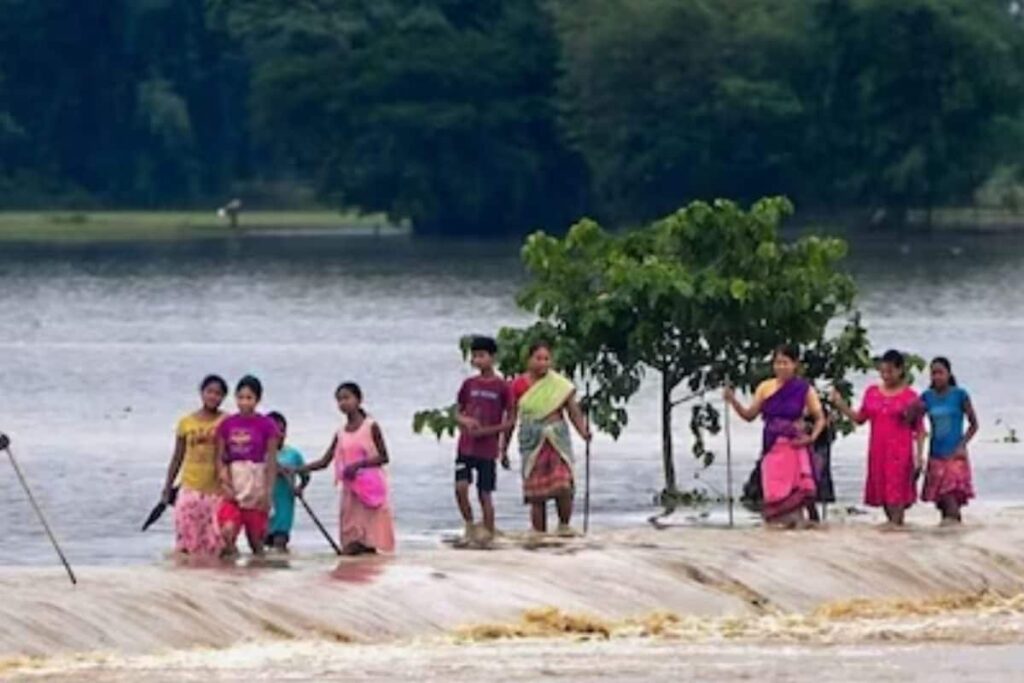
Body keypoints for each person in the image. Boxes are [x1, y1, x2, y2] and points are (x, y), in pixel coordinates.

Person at [725, 345, 825, 528]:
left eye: (785, 363)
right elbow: (749, 416)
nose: (781, 367)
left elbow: (820, 418)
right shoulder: (765, 387)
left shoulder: (804, 389)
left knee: (797, 492)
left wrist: (811, 438)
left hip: (795, 446)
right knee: (774, 493)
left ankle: (802, 532)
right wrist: (733, 401)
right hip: (772, 447)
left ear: (795, 364)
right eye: (777, 363)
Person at [831, 349, 926, 529]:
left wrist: (919, 458)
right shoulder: (872, 392)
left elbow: (920, 430)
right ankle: (894, 535)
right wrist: (840, 404)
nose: (885, 375)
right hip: (878, 452)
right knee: (884, 495)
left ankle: (897, 532)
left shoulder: (910, 397)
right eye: (882, 371)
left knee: (896, 496)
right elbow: (860, 418)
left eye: (890, 371)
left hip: (900, 453)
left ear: (900, 370)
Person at [299, 382, 395, 555]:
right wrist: (299, 469)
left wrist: (358, 465)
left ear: (358, 400)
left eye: (347, 398)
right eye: (339, 400)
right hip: (351, 493)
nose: (343, 403)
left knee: (369, 541)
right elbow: (325, 461)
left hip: (371, 491)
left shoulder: (370, 426)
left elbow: (384, 457)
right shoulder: (340, 432)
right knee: (351, 539)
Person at [507, 341, 591, 537]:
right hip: (532, 438)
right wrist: (503, 447)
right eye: (539, 358)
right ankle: (539, 534)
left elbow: (574, 412)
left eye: (547, 359)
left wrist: (583, 431)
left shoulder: (560, 385)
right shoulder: (517, 385)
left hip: (557, 438)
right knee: (537, 494)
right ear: (528, 360)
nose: (543, 363)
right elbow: (511, 417)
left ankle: (564, 527)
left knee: (563, 484)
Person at [453, 336, 514, 547]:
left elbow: (511, 420)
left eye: (481, 356)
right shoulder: (468, 384)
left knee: (484, 493)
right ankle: (470, 525)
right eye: (474, 356)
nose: (477, 360)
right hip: (465, 446)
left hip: (487, 450)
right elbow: (457, 412)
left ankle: (488, 532)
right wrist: (465, 420)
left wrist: (499, 442)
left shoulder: (503, 387)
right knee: (461, 487)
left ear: (492, 358)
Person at [161, 375, 228, 557]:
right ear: (201, 393)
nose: (213, 397)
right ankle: (187, 583)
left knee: (215, 542)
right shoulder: (186, 422)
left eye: (218, 394)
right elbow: (177, 457)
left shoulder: (226, 421)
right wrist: (167, 486)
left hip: (216, 491)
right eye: (210, 392)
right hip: (190, 489)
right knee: (187, 542)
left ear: (223, 397)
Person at [215, 375, 280, 557]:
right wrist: (224, 482)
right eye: (240, 397)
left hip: (256, 484)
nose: (244, 402)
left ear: (257, 400)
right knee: (227, 531)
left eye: (249, 398)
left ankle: (257, 578)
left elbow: (271, 461)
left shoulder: (267, 425)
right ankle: (228, 575)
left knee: (256, 541)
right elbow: (220, 457)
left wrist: (268, 492)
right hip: (234, 482)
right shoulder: (227, 424)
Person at [920, 357, 979, 525]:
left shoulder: (960, 395)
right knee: (941, 504)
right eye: (933, 373)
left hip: (955, 456)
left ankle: (955, 537)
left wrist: (962, 445)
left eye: (940, 373)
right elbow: (914, 421)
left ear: (949, 374)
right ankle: (948, 544)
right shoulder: (927, 397)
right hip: (935, 455)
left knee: (951, 500)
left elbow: (974, 425)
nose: (936, 377)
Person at [266, 411, 309, 552]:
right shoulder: (259, 453)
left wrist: (300, 487)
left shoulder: (293, 454)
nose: (278, 435)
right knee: (262, 546)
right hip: (263, 506)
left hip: (284, 507)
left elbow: (305, 475)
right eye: (273, 431)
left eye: (282, 431)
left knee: (280, 544)